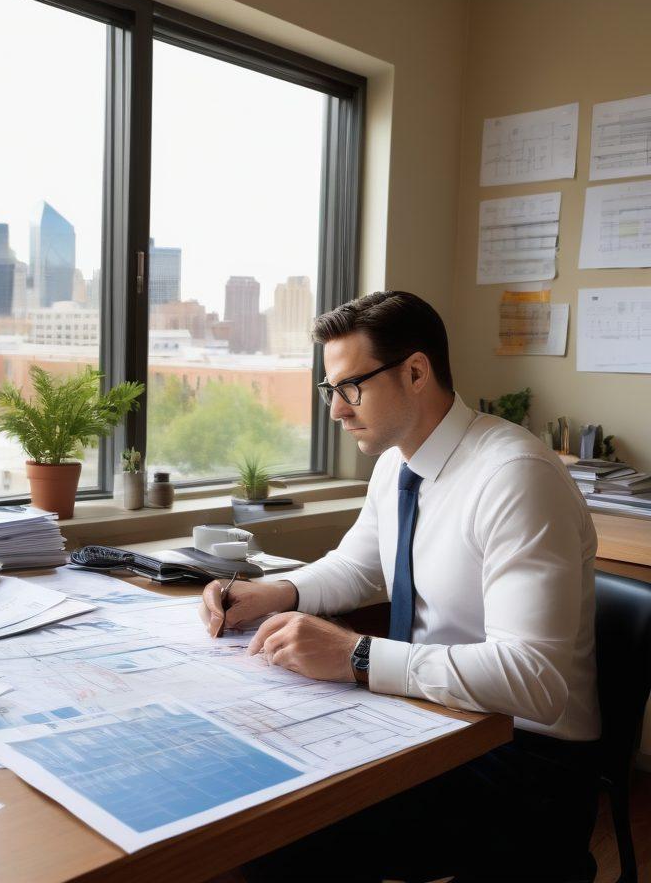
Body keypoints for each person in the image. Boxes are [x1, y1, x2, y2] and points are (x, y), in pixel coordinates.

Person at [200, 291, 600, 881]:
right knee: (249, 778)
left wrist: (356, 656)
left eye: (350, 387)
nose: (336, 411)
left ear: (415, 372)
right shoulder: (395, 463)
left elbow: (533, 681)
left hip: (527, 758)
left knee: (283, 831)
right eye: (330, 389)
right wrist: (276, 592)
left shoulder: (516, 477)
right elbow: (357, 566)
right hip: (431, 720)